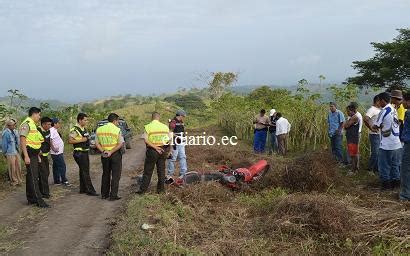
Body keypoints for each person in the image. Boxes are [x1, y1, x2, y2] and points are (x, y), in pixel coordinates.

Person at [19, 107, 49, 208]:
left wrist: (37, 155)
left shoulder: (33, 125)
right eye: (39, 115)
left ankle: (31, 198)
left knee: (30, 176)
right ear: (34, 114)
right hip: (29, 153)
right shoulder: (26, 123)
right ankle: (39, 200)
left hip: (34, 154)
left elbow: (35, 141)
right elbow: (22, 139)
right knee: (34, 177)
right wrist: (26, 156)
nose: (39, 117)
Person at [372, 92, 402, 190]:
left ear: (382, 100)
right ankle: (396, 185)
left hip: (387, 144)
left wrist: (370, 124)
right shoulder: (394, 109)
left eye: (379, 101)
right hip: (397, 143)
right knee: (395, 165)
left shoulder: (384, 111)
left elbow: (375, 126)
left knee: (384, 165)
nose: (378, 103)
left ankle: (386, 186)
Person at [137, 112, 172, 194]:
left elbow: (146, 140)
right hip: (163, 150)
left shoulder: (148, 126)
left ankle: (143, 190)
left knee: (148, 171)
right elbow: (169, 140)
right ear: (158, 118)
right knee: (161, 171)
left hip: (152, 151)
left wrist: (156, 148)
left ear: (152, 118)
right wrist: (168, 151)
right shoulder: (165, 127)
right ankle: (161, 190)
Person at [95, 113, 124, 201]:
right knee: (115, 175)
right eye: (117, 121)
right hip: (114, 154)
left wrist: (104, 151)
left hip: (104, 154)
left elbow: (97, 143)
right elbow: (120, 143)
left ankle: (104, 194)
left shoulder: (99, 129)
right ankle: (113, 195)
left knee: (105, 174)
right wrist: (111, 151)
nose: (118, 123)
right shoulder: (117, 130)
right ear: (114, 120)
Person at [68, 113, 98, 196]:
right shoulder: (75, 129)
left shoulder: (83, 128)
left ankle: (83, 189)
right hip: (79, 153)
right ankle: (90, 190)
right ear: (80, 120)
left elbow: (87, 139)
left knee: (83, 171)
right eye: (85, 120)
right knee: (85, 171)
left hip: (84, 152)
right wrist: (82, 140)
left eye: (86, 120)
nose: (86, 121)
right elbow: (70, 141)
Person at [167, 110, 188, 179]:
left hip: (182, 142)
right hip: (175, 143)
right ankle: (170, 174)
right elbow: (170, 133)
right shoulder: (173, 122)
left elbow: (182, 131)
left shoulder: (181, 122)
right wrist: (178, 137)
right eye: (183, 116)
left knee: (183, 157)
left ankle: (183, 173)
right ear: (180, 115)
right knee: (172, 158)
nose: (183, 118)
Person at [2, 119, 23, 186]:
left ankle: (19, 180)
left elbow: (17, 141)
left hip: (16, 151)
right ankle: (14, 181)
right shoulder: (6, 133)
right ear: (8, 126)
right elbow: (4, 145)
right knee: (12, 167)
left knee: (18, 166)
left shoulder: (15, 131)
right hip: (10, 152)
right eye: (13, 125)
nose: (14, 126)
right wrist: (5, 153)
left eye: (15, 124)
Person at [50, 118, 70, 186]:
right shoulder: (52, 130)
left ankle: (57, 181)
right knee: (62, 165)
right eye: (58, 123)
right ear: (55, 124)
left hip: (57, 152)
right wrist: (53, 148)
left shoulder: (54, 130)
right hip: (56, 152)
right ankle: (64, 180)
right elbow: (50, 139)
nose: (59, 124)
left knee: (56, 166)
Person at [364, 96, 381, 174]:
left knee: (378, 152)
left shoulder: (379, 109)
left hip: (379, 134)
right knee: (375, 152)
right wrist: (371, 128)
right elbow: (366, 118)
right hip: (374, 135)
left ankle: (376, 169)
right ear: (377, 101)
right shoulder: (372, 109)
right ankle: (370, 169)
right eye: (380, 100)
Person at [38, 117, 52, 198]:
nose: (50, 126)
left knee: (46, 173)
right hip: (40, 156)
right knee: (43, 173)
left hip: (46, 155)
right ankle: (45, 193)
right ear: (43, 124)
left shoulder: (48, 131)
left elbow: (48, 140)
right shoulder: (37, 131)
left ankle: (42, 190)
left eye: (50, 124)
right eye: (48, 124)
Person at [399, 92, 410, 201]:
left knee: (406, 169)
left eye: (403, 100)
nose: (402, 103)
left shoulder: (408, 113)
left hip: (408, 144)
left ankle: (405, 195)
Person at [344, 104, 360, 175]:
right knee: (352, 154)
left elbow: (346, 125)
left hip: (353, 138)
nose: (347, 112)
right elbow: (346, 125)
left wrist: (346, 123)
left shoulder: (354, 117)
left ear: (352, 111)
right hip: (351, 138)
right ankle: (354, 169)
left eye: (348, 111)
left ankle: (354, 170)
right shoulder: (351, 117)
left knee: (353, 155)